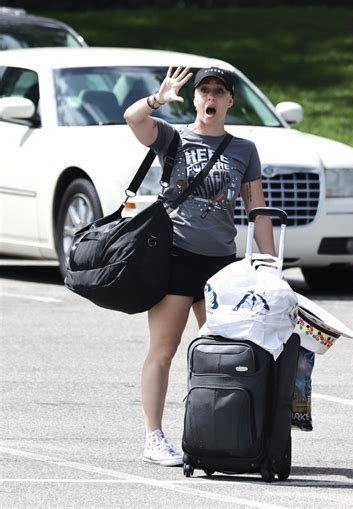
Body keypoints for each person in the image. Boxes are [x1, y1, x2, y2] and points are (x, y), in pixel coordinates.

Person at [124, 66, 276, 466]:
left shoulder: (244, 149)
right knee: (164, 348)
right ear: (195, 99)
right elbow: (132, 119)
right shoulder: (173, 138)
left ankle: (219, 434)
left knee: (223, 353)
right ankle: (153, 437)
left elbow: (256, 210)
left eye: (218, 91)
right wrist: (158, 98)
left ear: (229, 101)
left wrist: (268, 264)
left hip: (222, 266)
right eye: (204, 90)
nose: (210, 96)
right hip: (176, 257)